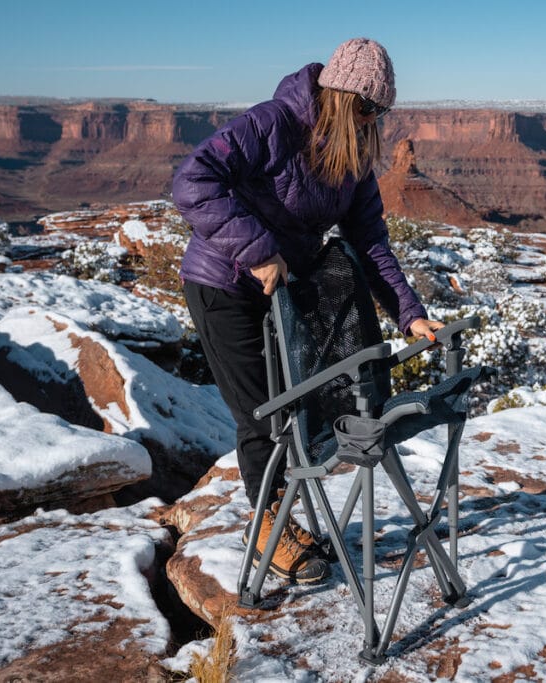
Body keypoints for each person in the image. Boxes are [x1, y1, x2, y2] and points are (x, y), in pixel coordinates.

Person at [172, 38, 443, 584]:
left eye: (383, 110)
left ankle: (291, 515)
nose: (375, 119)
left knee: (298, 409)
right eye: (369, 107)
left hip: (283, 290)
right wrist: (257, 249)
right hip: (222, 284)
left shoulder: (354, 154)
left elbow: (369, 241)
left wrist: (408, 312)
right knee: (262, 414)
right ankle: (272, 529)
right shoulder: (272, 124)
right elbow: (192, 180)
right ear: (342, 97)